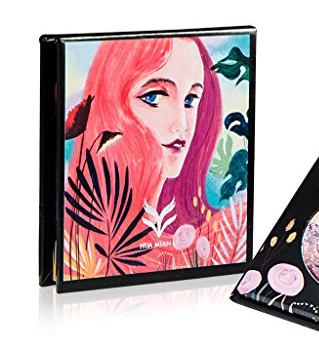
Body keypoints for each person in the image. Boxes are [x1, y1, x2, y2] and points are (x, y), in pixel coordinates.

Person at [64, 36, 226, 278]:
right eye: (154, 97)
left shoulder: (216, 239)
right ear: (110, 103)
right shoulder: (78, 248)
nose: (181, 125)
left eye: (190, 100)